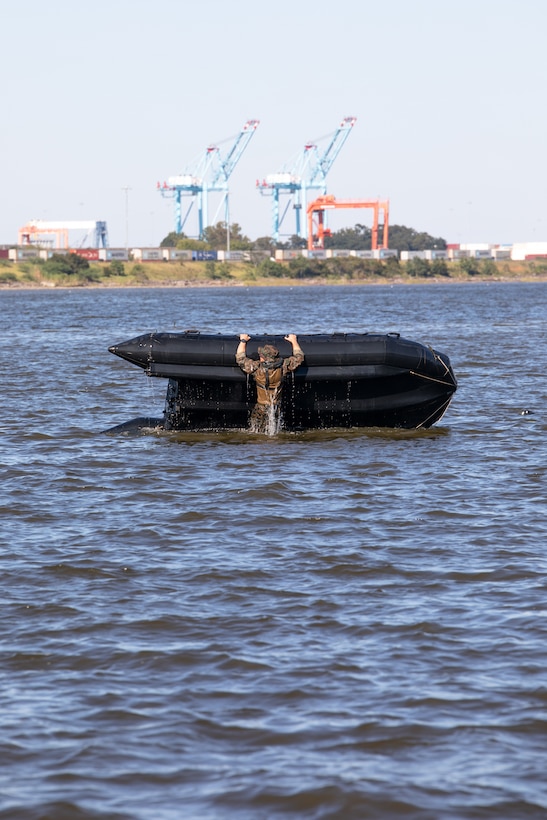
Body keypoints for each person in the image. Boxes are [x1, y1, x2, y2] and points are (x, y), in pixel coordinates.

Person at [236, 333, 304, 433]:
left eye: (261, 355)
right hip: (276, 407)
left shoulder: (257, 368)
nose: (260, 356)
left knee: (256, 431)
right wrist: (294, 341)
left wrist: (243, 341)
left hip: (261, 407)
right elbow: (299, 357)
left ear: (264, 358)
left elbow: (240, 359)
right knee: (274, 430)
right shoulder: (284, 367)